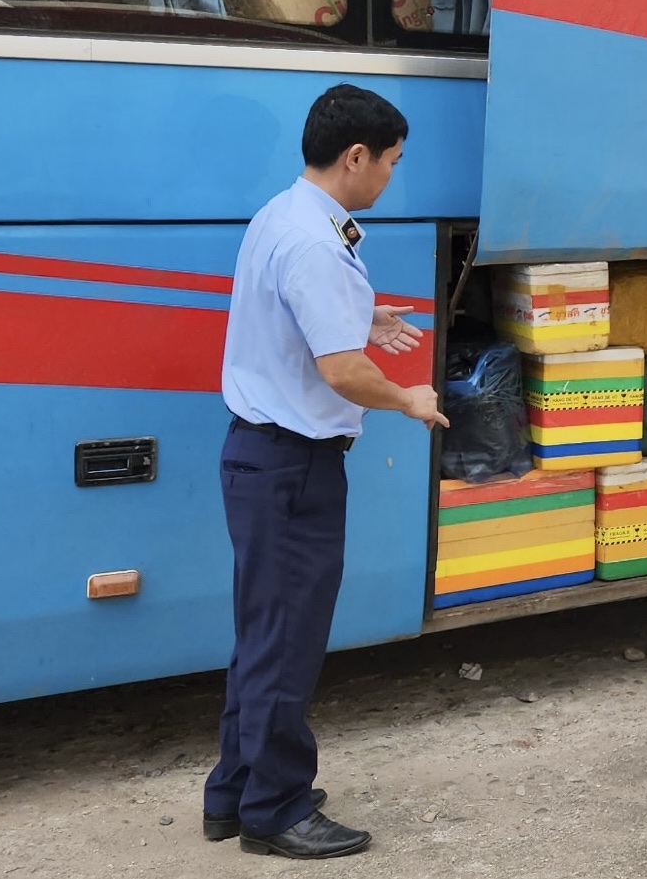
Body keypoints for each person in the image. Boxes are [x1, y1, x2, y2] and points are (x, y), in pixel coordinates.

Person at [204, 84, 448, 859]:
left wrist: (363, 315)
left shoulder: (285, 214)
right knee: (287, 640)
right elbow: (342, 371)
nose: (390, 177)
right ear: (355, 156)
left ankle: (234, 789)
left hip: (262, 457)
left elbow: (298, 317)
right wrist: (407, 397)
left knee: (262, 634)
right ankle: (274, 809)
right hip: (291, 466)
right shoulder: (314, 239)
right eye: (391, 163)